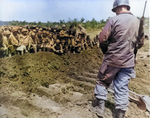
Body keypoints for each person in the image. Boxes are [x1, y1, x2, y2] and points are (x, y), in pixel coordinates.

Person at [89, 0, 144, 118]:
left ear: (118, 8)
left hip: (112, 59)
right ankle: (120, 113)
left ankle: (100, 108)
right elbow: (141, 42)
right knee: (122, 86)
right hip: (128, 61)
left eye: (115, 11)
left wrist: (106, 51)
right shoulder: (138, 22)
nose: (116, 13)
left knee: (102, 81)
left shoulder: (113, 20)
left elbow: (102, 39)